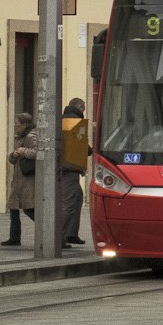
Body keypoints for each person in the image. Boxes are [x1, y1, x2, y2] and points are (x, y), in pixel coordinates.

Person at [2, 112, 37, 247]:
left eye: (16, 124)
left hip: (27, 179)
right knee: (13, 207)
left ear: (24, 125)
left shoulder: (31, 136)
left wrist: (23, 151)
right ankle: (14, 238)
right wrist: (14, 154)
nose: (15, 127)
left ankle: (49, 231)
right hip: (18, 178)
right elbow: (12, 159)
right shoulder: (20, 136)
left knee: (29, 208)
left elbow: (38, 152)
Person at [58, 98, 90, 247]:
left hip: (66, 168)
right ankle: (59, 237)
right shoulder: (76, 121)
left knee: (77, 198)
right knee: (69, 203)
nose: (84, 109)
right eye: (83, 107)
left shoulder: (62, 119)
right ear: (79, 107)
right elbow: (81, 145)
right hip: (69, 169)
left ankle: (71, 233)